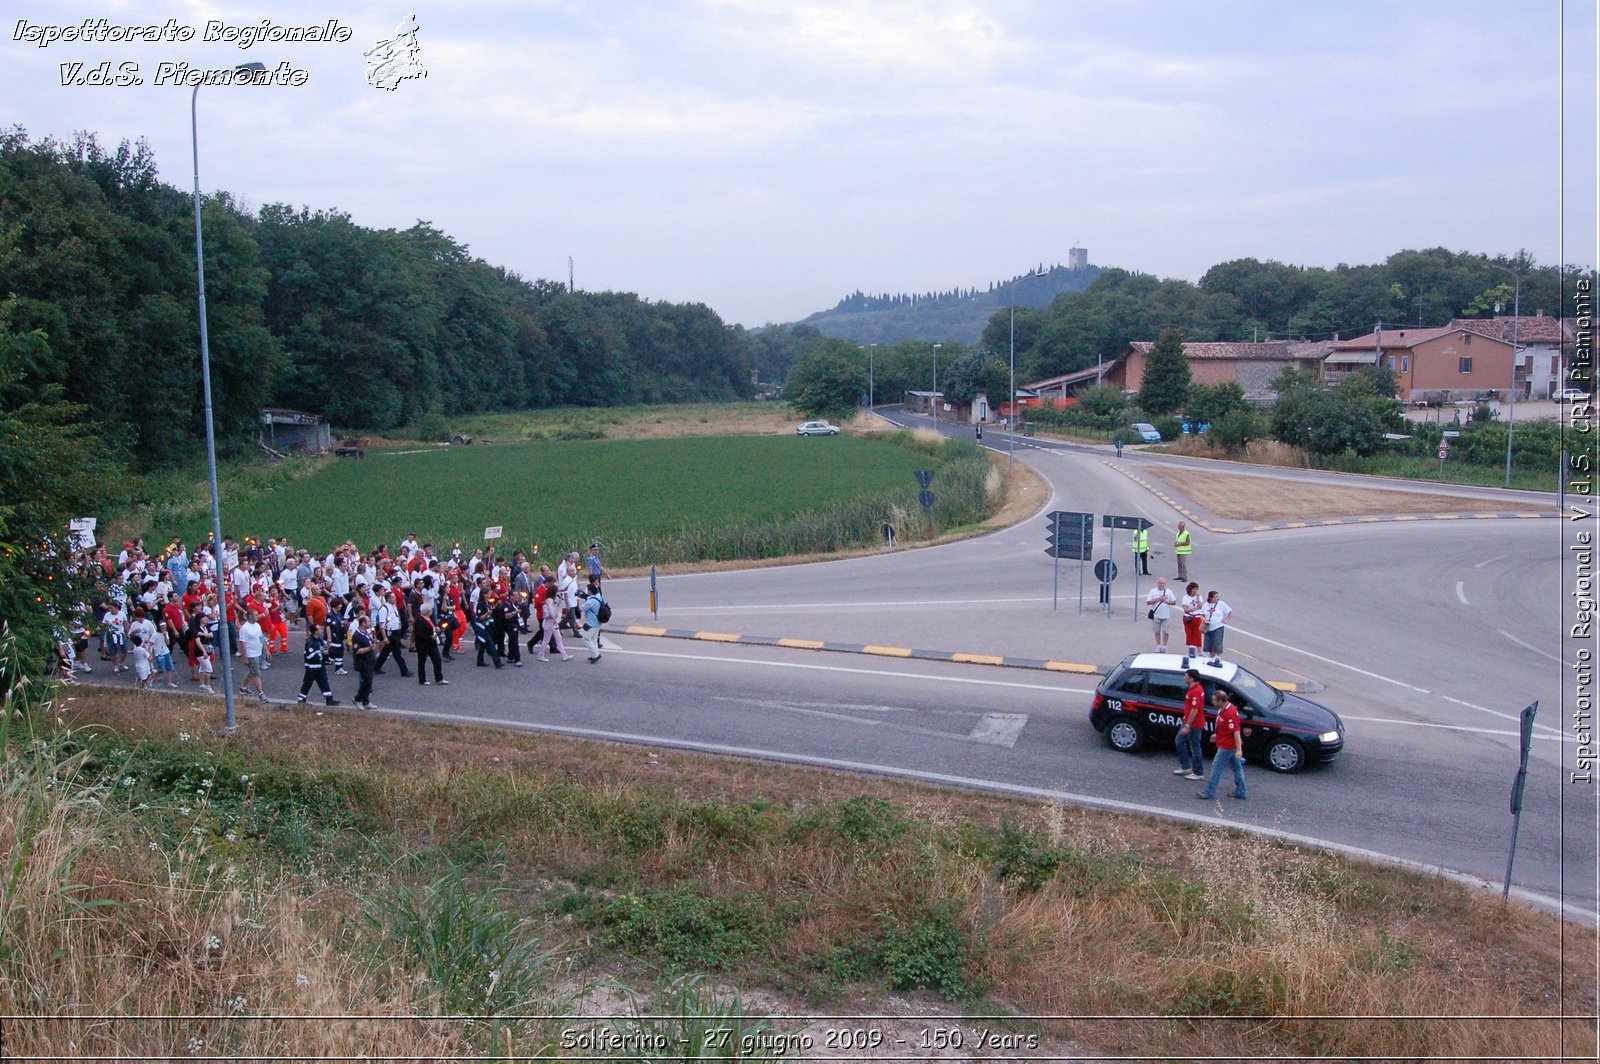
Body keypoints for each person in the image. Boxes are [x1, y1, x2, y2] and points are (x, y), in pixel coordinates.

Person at [1196, 687, 1246, 801]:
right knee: (1237, 768)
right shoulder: (1223, 710)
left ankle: (1209, 791)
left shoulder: (1230, 713)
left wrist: (1239, 750)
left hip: (1227, 746)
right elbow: (1224, 728)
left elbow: (1236, 732)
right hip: (1227, 743)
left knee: (1216, 768)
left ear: (1221, 701)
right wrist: (1217, 735)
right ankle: (1241, 791)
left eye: (1214, 700)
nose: (1212, 702)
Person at [1173, 668, 1206, 782]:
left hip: (1194, 724)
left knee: (1195, 747)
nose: (1184, 677)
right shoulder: (1193, 689)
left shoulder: (1196, 691)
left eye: (1186, 675)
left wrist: (1187, 725)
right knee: (1179, 741)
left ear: (1191, 678)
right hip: (1189, 722)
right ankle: (1186, 766)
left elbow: (1195, 710)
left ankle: (1198, 772)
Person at [296, 623, 340, 706]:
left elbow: (324, 648)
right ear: (315, 632)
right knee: (307, 684)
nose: (321, 630)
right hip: (311, 668)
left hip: (320, 666)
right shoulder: (310, 642)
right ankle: (301, 700)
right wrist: (323, 653)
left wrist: (328, 649)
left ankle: (329, 699)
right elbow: (310, 656)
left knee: (324, 682)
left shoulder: (319, 640)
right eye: (319, 629)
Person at [237, 608, 268, 705]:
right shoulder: (245, 628)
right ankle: (261, 694)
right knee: (256, 674)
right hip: (251, 654)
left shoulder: (257, 625)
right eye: (256, 615)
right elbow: (243, 644)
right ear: (250, 616)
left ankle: (243, 688)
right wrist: (245, 658)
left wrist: (266, 650)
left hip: (258, 652)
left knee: (252, 671)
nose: (257, 616)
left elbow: (261, 638)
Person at [537, 583, 572, 662]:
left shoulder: (553, 599)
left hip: (551, 622)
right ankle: (541, 654)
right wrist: (555, 619)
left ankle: (564, 654)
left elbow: (558, 605)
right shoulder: (549, 600)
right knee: (547, 639)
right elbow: (551, 610)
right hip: (549, 621)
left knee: (558, 638)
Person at [413, 604, 447, 685]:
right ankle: (422, 679)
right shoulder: (419, 620)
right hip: (423, 644)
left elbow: (431, 627)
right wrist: (430, 636)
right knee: (422, 662)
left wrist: (436, 629)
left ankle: (439, 678)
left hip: (431, 643)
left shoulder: (428, 618)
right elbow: (418, 633)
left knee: (437, 660)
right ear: (427, 611)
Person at [350, 612, 377, 709]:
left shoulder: (366, 633)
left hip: (370, 661)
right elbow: (356, 651)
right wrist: (369, 649)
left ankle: (366, 701)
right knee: (366, 682)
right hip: (363, 662)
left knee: (369, 682)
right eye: (368, 622)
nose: (370, 623)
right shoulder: (357, 636)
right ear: (363, 623)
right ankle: (357, 699)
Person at [1144, 578, 1177, 653]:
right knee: (1157, 631)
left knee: (1166, 631)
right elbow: (1148, 602)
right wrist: (1159, 599)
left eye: (1163, 583)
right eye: (1160, 583)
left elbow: (1174, 602)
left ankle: (1165, 646)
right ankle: (1158, 645)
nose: (1161, 584)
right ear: (1157, 583)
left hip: (1166, 615)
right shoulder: (1153, 591)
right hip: (1156, 615)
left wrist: (1167, 601)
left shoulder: (1168, 591)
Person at [1202, 590, 1233, 667]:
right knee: (1210, 643)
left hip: (1218, 626)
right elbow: (1201, 614)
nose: (1217, 598)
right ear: (1210, 597)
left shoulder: (1221, 604)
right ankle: (1212, 658)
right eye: (1215, 597)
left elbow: (1230, 611)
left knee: (1217, 642)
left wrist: (1226, 620)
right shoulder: (1206, 605)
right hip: (1209, 627)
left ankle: (1218, 658)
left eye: (1217, 596)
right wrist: (1204, 620)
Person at [1180, 582, 1204, 665]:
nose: (1196, 591)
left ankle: (1200, 651)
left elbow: (1201, 606)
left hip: (1197, 617)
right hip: (1188, 618)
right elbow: (1186, 609)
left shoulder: (1199, 597)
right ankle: (1190, 650)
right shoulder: (1185, 597)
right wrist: (1195, 608)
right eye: (1195, 589)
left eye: (1197, 589)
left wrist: (1197, 597)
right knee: (1189, 633)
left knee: (1197, 634)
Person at [579, 582, 604, 663]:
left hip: (591, 623)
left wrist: (578, 602)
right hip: (598, 622)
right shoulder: (599, 597)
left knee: (586, 639)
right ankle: (595, 653)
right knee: (593, 640)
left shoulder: (591, 601)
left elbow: (582, 609)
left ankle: (596, 655)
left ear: (590, 591)